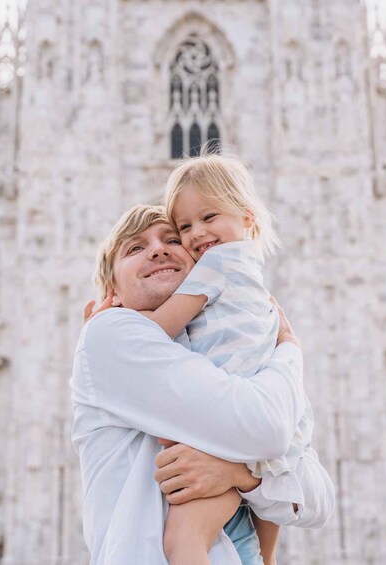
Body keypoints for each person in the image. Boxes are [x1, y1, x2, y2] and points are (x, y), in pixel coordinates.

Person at [71, 204, 334, 565]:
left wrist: (241, 475)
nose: (157, 250)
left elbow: (319, 500)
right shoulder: (110, 335)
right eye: (135, 249)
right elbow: (270, 430)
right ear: (111, 290)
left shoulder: (232, 350)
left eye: (172, 240)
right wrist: (289, 352)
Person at [126, 154, 313, 565]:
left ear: (247, 217)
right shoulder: (252, 275)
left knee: (182, 542)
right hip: (276, 426)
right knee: (263, 530)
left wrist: (119, 313)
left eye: (209, 216)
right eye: (185, 227)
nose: (197, 234)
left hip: (227, 428)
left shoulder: (213, 266)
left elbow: (156, 330)